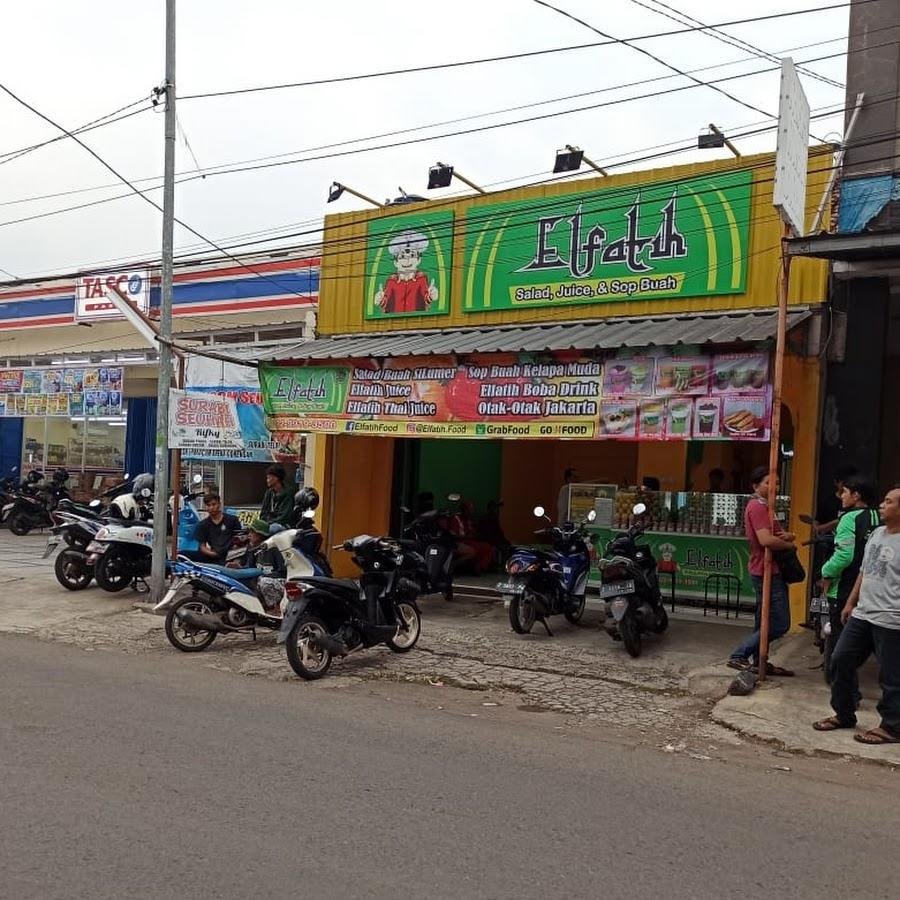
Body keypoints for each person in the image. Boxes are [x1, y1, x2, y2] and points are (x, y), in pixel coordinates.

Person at [813, 486, 900, 745]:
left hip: (892, 618)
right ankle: (844, 713)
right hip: (863, 613)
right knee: (839, 660)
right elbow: (864, 570)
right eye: (883, 500)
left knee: (892, 676)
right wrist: (851, 602)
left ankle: (892, 727)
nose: (882, 506)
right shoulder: (876, 534)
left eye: (888, 502)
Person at [727, 465, 797, 676]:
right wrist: (788, 545)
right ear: (756, 485)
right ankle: (740, 654)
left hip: (771, 569)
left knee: (763, 620)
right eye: (768, 482)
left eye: (775, 482)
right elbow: (766, 539)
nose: (774, 485)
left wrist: (788, 537)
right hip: (765, 570)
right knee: (779, 623)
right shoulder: (757, 506)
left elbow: (780, 533)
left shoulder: (768, 506)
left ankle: (760, 662)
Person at [819, 476, 880, 683]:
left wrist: (825, 572)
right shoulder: (878, 517)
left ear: (856, 495)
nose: (841, 496)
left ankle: (839, 682)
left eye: (844, 492)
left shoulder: (849, 518)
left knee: (840, 637)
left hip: (845, 587)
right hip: (872, 588)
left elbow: (844, 555)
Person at [190, 494, 241, 564]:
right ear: (205, 507)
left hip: (231, 555)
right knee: (183, 554)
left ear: (219, 504)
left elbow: (240, 539)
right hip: (213, 555)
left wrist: (235, 557)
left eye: (214, 504)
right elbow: (202, 546)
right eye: (208, 505)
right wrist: (212, 554)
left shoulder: (232, 520)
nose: (211, 507)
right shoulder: (202, 525)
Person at [815, 464, 859, 536]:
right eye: (843, 483)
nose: (846, 486)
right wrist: (837, 522)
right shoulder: (827, 502)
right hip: (828, 543)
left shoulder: (856, 503)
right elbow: (817, 527)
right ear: (836, 482)